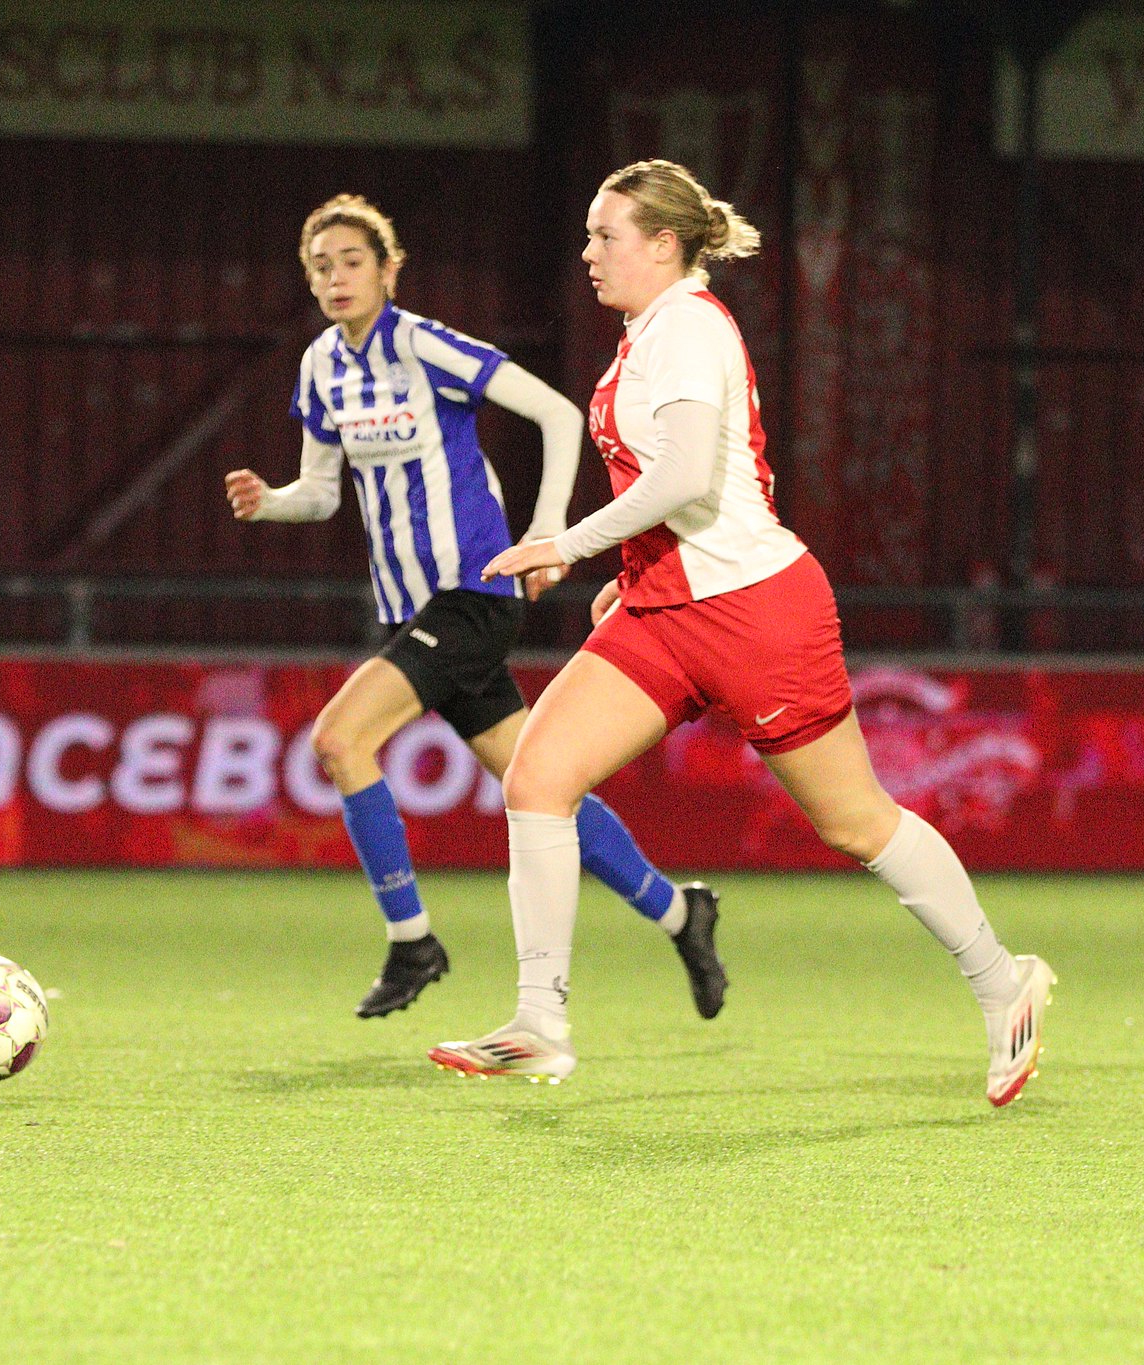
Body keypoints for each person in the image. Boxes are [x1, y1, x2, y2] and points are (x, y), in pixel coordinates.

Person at [428, 161, 1055, 1105]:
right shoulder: (648, 333)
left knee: (854, 821)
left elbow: (685, 476)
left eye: (605, 235)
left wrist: (570, 544)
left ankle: (1005, 983)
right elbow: (696, 486)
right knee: (538, 778)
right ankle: (539, 1026)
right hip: (664, 611)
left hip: (756, 612)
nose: (588, 252)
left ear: (663, 244)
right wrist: (630, 576)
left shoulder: (686, 326)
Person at [225, 193, 726, 1021]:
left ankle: (412, 941)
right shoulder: (321, 366)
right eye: (321, 267)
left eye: (353, 261)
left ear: (389, 270)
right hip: (411, 607)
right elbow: (320, 492)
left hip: (474, 592)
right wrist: (269, 502)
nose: (337, 277)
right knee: (540, 783)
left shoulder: (423, 344)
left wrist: (547, 534)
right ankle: (681, 912)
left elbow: (557, 414)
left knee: (340, 739)